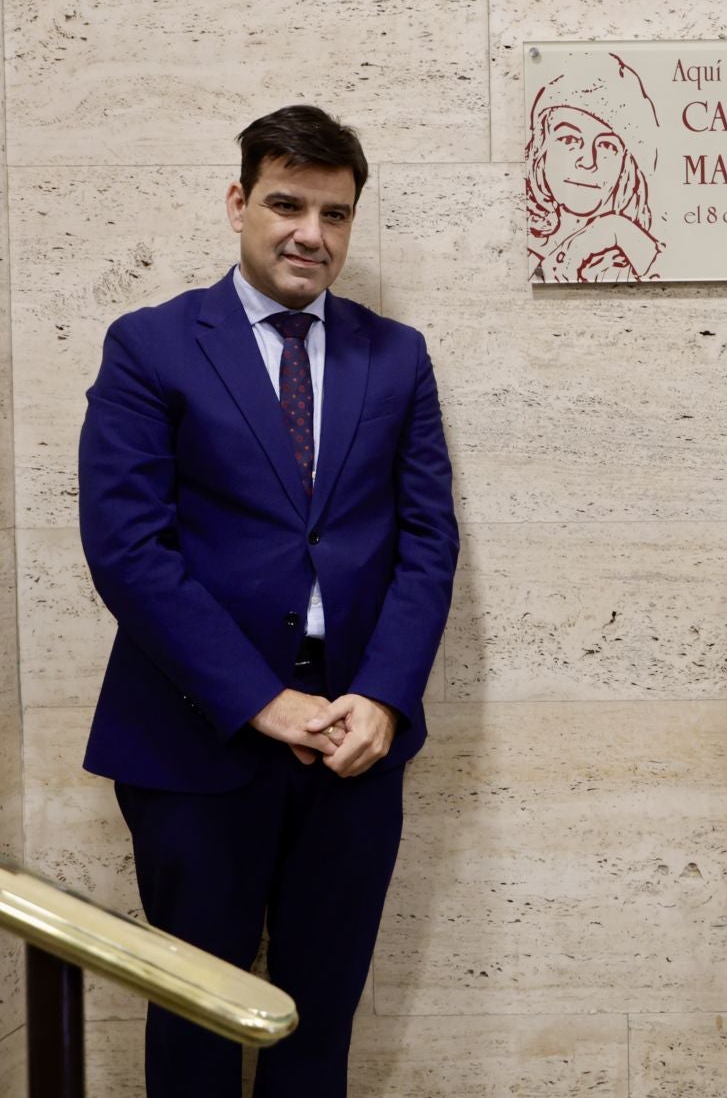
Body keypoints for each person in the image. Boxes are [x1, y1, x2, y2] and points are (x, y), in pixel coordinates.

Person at [77, 104, 460, 1097]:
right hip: (196, 743)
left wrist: (383, 696)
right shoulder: (151, 346)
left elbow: (427, 540)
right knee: (198, 1027)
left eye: (335, 215)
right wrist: (258, 698)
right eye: (288, 204)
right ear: (239, 201)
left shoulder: (397, 355)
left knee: (317, 1029)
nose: (311, 234)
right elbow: (128, 547)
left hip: (354, 745)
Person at [525, 51, 664, 281]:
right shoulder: (523, 254)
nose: (588, 161)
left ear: (625, 166)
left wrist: (618, 231)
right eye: (569, 139)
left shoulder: (634, 259)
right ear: (541, 150)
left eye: (607, 145)